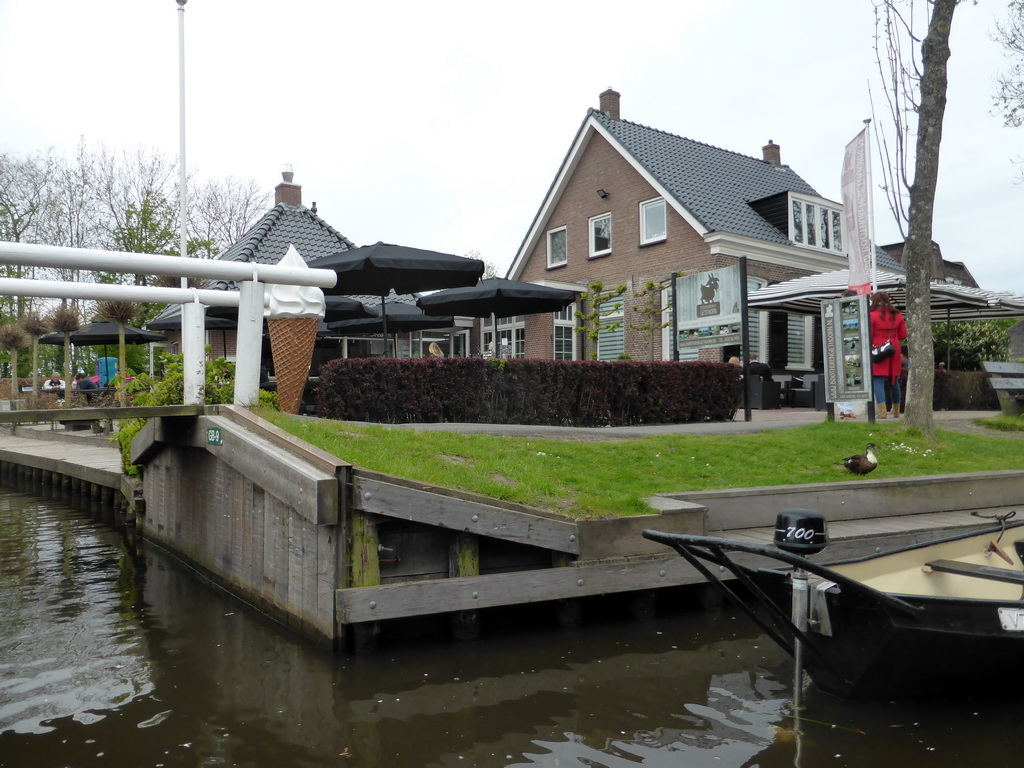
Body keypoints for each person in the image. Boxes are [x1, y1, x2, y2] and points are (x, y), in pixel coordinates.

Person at [869, 291, 908, 419]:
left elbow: (869, 335)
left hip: (878, 348)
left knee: (878, 379)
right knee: (893, 379)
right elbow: (903, 335)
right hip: (894, 348)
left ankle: (882, 411)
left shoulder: (872, 315)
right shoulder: (897, 315)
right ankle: (896, 410)